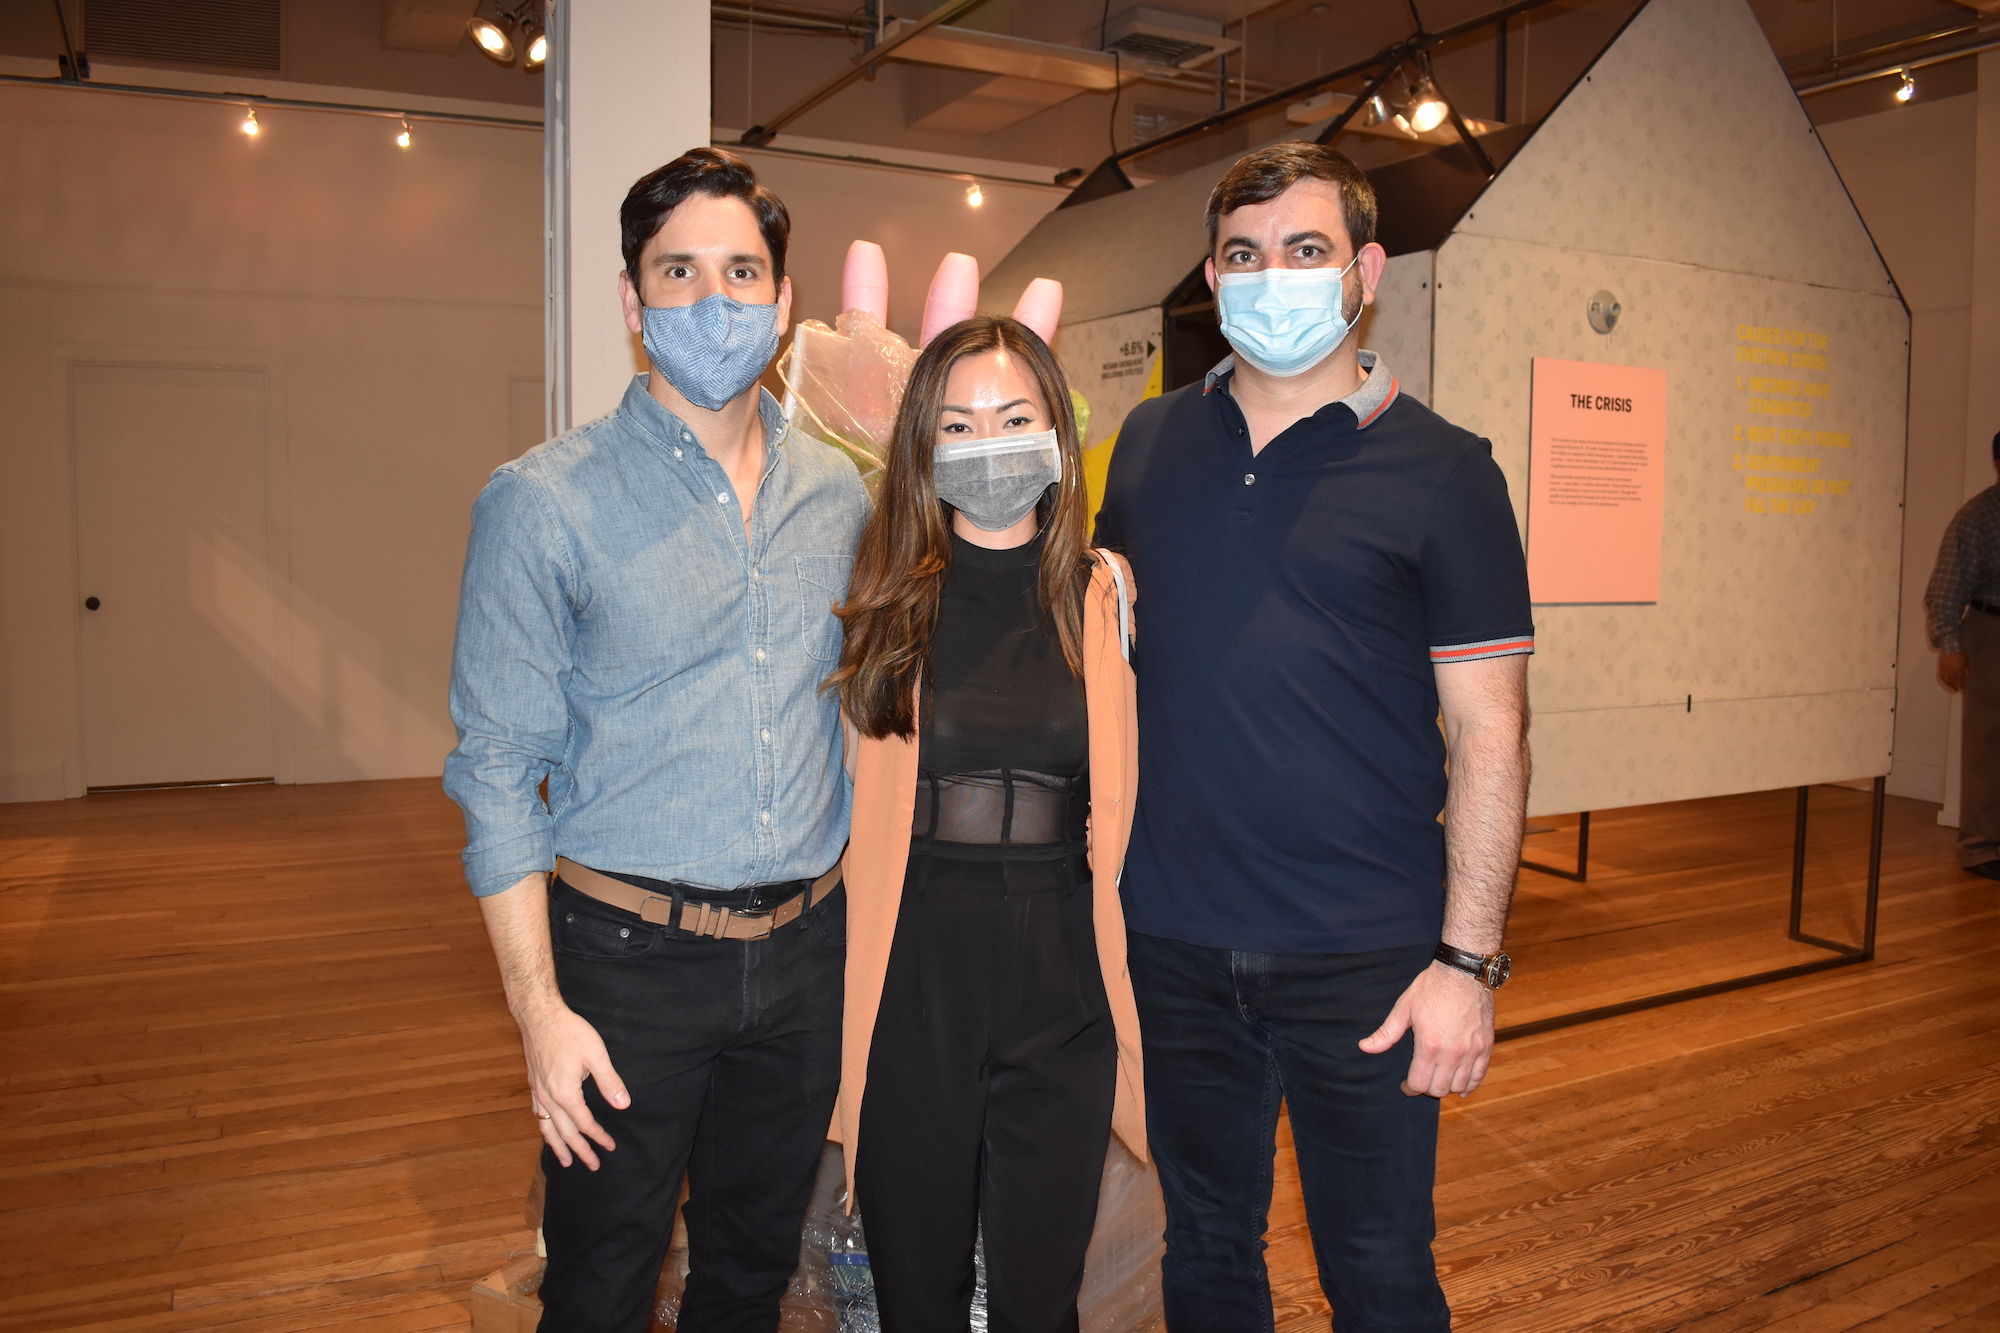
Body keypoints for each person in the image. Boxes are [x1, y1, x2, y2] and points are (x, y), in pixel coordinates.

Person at [1092, 141, 1533, 1331]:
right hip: (1173, 940)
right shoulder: (1147, 445)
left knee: (1378, 1270)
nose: (1270, 275)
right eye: (1243, 254)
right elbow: (1104, 665)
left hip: (1365, 957)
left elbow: (1490, 734)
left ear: (1363, 272)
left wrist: (1466, 965)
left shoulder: (1446, 472)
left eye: (1303, 249)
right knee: (1204, 1251)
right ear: (1210, 276)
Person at [443, 147, 868, 1333]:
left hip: (804, 953)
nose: (713, 301)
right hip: (626, 962)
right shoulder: (542, 500)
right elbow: (495, 772)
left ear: (783, 302)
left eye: (741, 272)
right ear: (633, 303)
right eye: (678, 272)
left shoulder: (838, 494)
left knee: (748, 1278)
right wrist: (539, 1014)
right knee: (599, 1286)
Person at [827, 315, 1147, 1332]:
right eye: (957, 425)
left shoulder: (1099, 594)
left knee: (1038, 1301)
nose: (987, 443)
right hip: (915, 987)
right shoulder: (884, 596)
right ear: (923, 447)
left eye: (1013, 418)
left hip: (1062, 991)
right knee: (917, 1298)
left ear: (1056, 434)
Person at [1925, 430, 2000, 880]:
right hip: (1992, 631)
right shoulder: (1979, 516)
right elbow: (1945, 588)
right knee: (1987, 741)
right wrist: (1950, 647)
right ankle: (1980, 846)